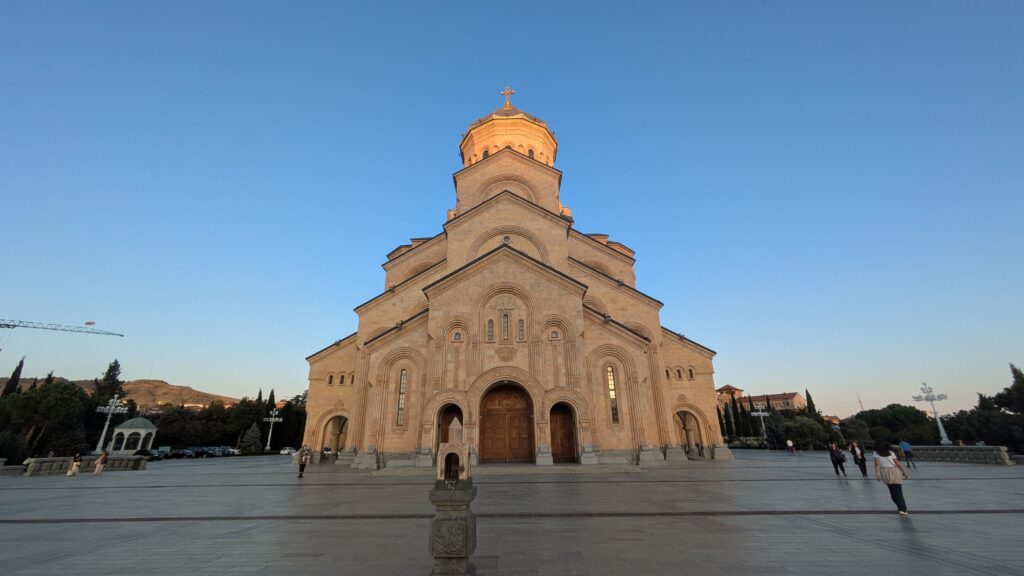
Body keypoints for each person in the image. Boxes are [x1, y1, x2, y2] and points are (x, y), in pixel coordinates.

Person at [874, 439, 909, 516]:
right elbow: (896, 463)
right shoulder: (889, 453)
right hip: (894, 472)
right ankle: (902, 508)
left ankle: (902, 509)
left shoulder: (877, 453)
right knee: (897, 492)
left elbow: (877, 464)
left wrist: (877, 473)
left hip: (886, 472)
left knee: (894, 492)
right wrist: (903, 472)